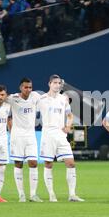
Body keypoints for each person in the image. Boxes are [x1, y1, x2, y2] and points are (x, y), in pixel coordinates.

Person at [37, 74, 84, 202]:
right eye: (55, 83)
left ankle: (72, 195)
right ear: (49, 84)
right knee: (48, 164)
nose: (57, 85)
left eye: (59, 83)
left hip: (61, 135)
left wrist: (68, 126)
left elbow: (69, 115)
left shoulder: (63, 99)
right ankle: (52, 194)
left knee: (71, 163)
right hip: (47, 134)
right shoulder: (41, 99)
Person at [7, 78, 43, 202]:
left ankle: (33, 194)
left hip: (31, 135)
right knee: (19, 163)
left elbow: (47, 99)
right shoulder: (13, 98)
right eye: (26, 87)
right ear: (20, 87)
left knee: (33, 163)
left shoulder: (35, 96)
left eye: (30, 87)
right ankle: (21, 194)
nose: (28, 89)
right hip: (17, 135)